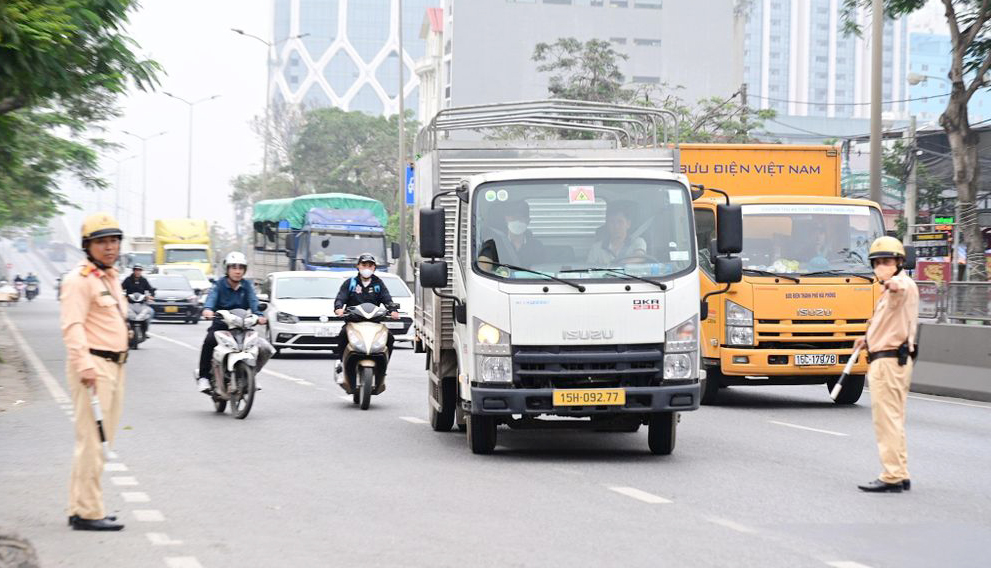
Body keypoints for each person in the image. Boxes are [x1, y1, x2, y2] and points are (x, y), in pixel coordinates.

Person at [60, 213, 129, 531]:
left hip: (114, 365)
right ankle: (88, 513)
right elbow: (72, 326)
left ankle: (82, 506)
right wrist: (85, 364)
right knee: (92, 440)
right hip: (94, 367)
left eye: (114, 240)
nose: (110, 247)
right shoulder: (79, 280)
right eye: (102, 241)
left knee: (102, 439)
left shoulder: (110, 277)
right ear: (87, 246)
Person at [853, 236, 919, 493]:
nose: (882, 266)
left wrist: (892, 284)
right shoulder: (887, 291)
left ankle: (891, 476)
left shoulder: (901, 284)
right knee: (894, 419)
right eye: (877, 262)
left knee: (886, 421)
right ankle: (900, 473)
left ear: (899, 262)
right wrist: (866, 339)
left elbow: (899, 290)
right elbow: (886, 323)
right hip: (890, 359)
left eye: (887, 261)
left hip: (889, 362)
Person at [197, 252, 270, 393]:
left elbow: (254, 302)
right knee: (209, 341)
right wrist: (208, 310)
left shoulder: (247, 286)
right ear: (227, 269)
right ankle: (204, 377)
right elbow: (211, 299)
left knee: (264, 347)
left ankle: (251, 374)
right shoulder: (219, 285)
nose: (237, 271)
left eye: (241, 268)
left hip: (243, 327)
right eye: (234, 267)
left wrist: (259, 316)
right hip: (221, 326)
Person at [333, 254, 399, 361]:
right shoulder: (350, 283)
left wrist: (393, 311)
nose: (367, 268)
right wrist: (338, 308)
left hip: (374, 322)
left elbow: (387, 299)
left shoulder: (378, 284)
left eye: (370, 265)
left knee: (390, 338)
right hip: (354, 322)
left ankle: (384, 364)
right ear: (358, 266)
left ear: (374, 268)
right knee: (342, 335)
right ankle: (342, 362)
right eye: (364, 265)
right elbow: (341, 298)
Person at [478, 200, 546, 271]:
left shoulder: (537, 246)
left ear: (528, 221)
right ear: (506, 219)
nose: (517, 221)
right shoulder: (493, 243)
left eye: (521, 218)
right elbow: (483, 267)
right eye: (513, 218)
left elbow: (540, 271)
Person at [586, 202, 647, 266]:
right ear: (607, 225)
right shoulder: (596, 248)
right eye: (612, 222)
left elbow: (640, 257)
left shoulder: (638, 242)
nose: (616, 226)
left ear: (628, 224)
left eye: (620, 222)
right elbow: (589, 268)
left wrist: (618, 265)